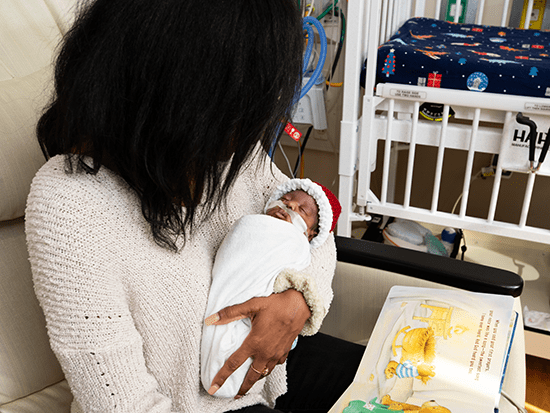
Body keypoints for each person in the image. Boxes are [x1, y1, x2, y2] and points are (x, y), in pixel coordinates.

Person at [25, 0, 364, 412]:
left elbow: (316, 229)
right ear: (184, 89)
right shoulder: (70, 203)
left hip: (271, 374)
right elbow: (123, 405)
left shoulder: (231, 155)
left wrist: (300, 299)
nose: (256, 124)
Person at [201, 178, 341, 398]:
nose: (290, 206)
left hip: (271, 343)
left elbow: (321, 252)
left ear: (311, 233)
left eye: (301, 210)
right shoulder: (253, 223)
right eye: (285, 200)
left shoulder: (299, 242)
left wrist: (299, 302)